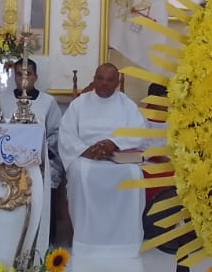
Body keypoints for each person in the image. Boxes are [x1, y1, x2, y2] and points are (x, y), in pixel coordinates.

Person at [57, 63, 149, 256]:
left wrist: (114, 143)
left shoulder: (126, 105)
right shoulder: (79, 104)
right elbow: (66, 134)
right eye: (100, 78)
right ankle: (85, 240)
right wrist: (86, 150)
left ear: (117, 83)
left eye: (109, 80)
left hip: (118, 157)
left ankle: (126, 241)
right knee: (78, 172)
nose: (104, 84)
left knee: (134, 173)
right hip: (86, 157)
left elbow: (140, 133)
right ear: (94, 79)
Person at [0, 59, 68, 245]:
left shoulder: (47, 101)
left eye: (27, 74)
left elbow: (57, 132)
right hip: (9, 159)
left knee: (47, 178)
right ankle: (9, 238)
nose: (23, 78)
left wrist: (43, 148)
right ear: (14, 76)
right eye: (19, 74)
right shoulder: (3, 100)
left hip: (40, 159)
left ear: (35, 76)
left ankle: (45, 239)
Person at [141, 83, 191, 272]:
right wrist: (159, 156)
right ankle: (154, 228)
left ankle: (178, 229)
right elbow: (141, 143)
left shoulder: (174, 117)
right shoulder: (141, 117)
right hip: (151, 163)